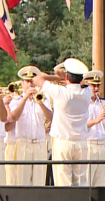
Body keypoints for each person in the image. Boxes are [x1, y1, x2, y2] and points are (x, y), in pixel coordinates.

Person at [35, 58, 93, 187]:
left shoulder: (61, 92)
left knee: (63, 182)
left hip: (63, 142)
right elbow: (84, 82)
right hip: (81, 143)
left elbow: (38, 79)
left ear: (67, 76)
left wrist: (56, 77)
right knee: (81, 182)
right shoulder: (87, 92)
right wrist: (64, 77)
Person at [7, 66, 51, 186]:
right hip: (23, 143)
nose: (30, 84)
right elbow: (13, 117)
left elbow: (51, 117)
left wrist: (40, 102)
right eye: (27, 81)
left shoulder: (44, 98)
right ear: (22, 83)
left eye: (32, 81)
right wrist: (25, 98)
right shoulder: (17, 100)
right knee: (22, 181)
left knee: (39, 181)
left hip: (40, 144)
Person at [84, 70, 105, 186]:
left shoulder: (104, 102)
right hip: (89, 145)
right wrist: (96, 120)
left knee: (101, 183)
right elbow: (79, 126)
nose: (96, 88)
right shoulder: (82, 104)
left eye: (97, 85)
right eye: (93, 85)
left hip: (103, 145)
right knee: (87, 182)